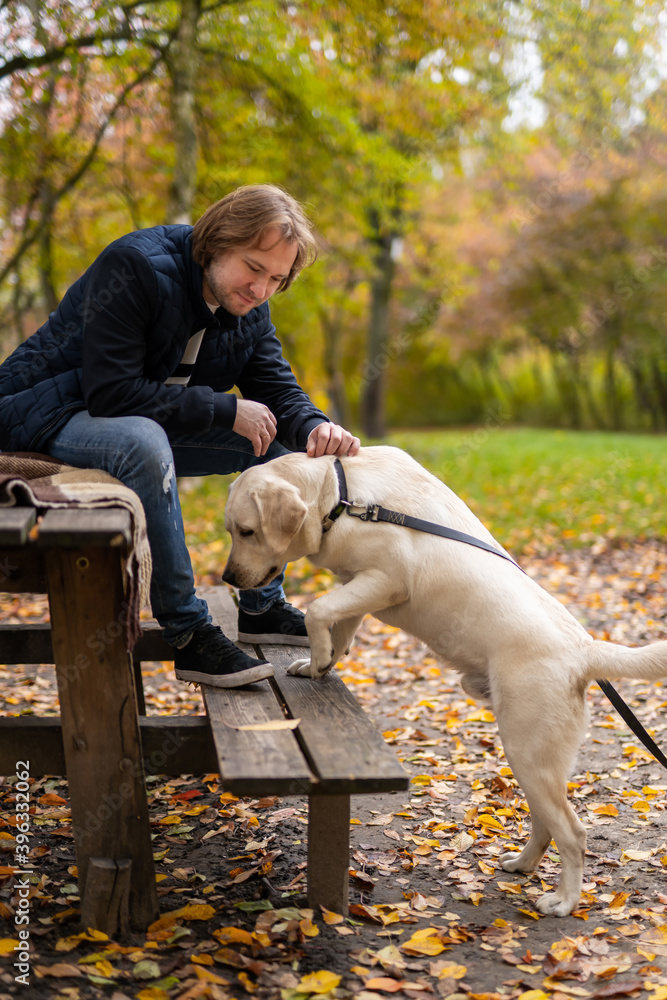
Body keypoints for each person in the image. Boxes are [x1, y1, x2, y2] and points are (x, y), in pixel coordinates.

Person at [0, 184, 360, 688]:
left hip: (129, 417)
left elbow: (277, 388)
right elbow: (110, 394)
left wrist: (316, 426)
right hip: (46, 413)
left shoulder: (250, 309)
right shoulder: (135, 267)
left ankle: (262, 603)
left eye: (276, 279)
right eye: (253, 268)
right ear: (217, 243)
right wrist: (223, 407)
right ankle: (189, 634)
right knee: (144, 441)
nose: (260, 289)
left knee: (277, 447)